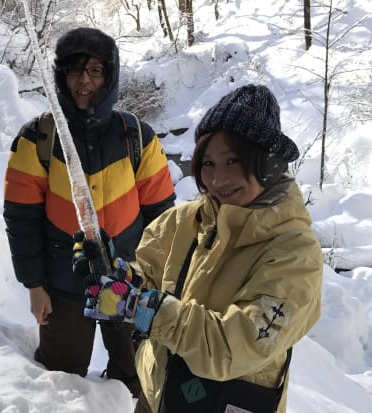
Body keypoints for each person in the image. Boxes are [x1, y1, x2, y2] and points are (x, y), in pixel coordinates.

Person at [76, 84, 323, 412]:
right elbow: (147, 276)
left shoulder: (295, 253)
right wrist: (117, 275)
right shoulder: (182, 221)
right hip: (158, 392)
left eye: (233, 161)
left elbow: (233, 346)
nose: (218, 179)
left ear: (271, 164)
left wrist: (140, 307)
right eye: (207, 163)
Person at [2, 27, 176, 397]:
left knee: (138, 380)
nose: (84, 80)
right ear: (61, 76)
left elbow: (163, 218)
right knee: (61, 382)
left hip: (131, 283)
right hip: (64, 286)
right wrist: (34, 285)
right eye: (75, 70)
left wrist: (159, 283)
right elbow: (21, 218)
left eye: (95, 70)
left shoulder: (137, 137)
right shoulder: (38, 139)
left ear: (109, 77)